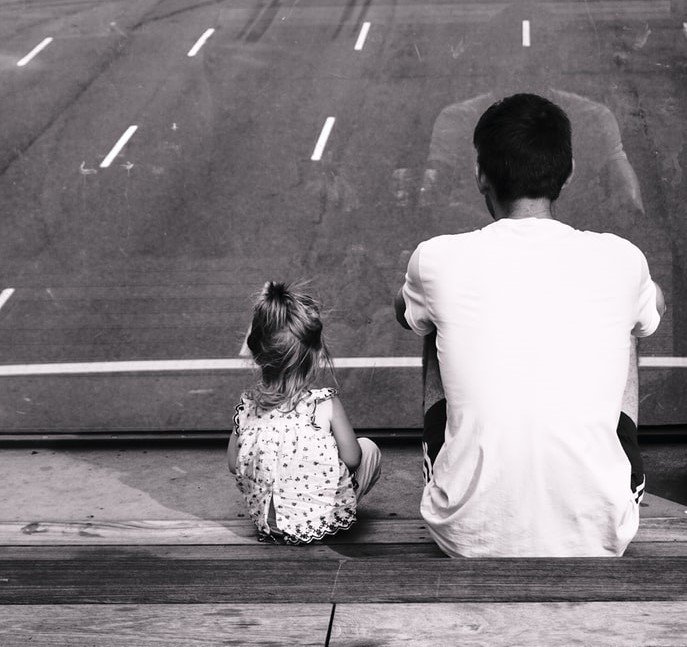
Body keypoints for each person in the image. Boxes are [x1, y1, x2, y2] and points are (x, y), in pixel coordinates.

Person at [395, 93, 666, 557]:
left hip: (464, 531)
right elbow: (652, 313)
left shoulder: (437, 257)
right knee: (630, 324)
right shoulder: (622, 258)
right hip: (601, 529)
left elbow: (405, 315)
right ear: (569, 170)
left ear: (481, 174)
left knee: (432, 323)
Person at [228, 281, 381, 544]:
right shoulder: (324, 404)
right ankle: (326, 516)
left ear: (259, 355)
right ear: (314, 355)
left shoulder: (247, 407)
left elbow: (233, 464)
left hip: (269, 526)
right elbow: (354, 459)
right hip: (315, 521)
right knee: (369, 449)